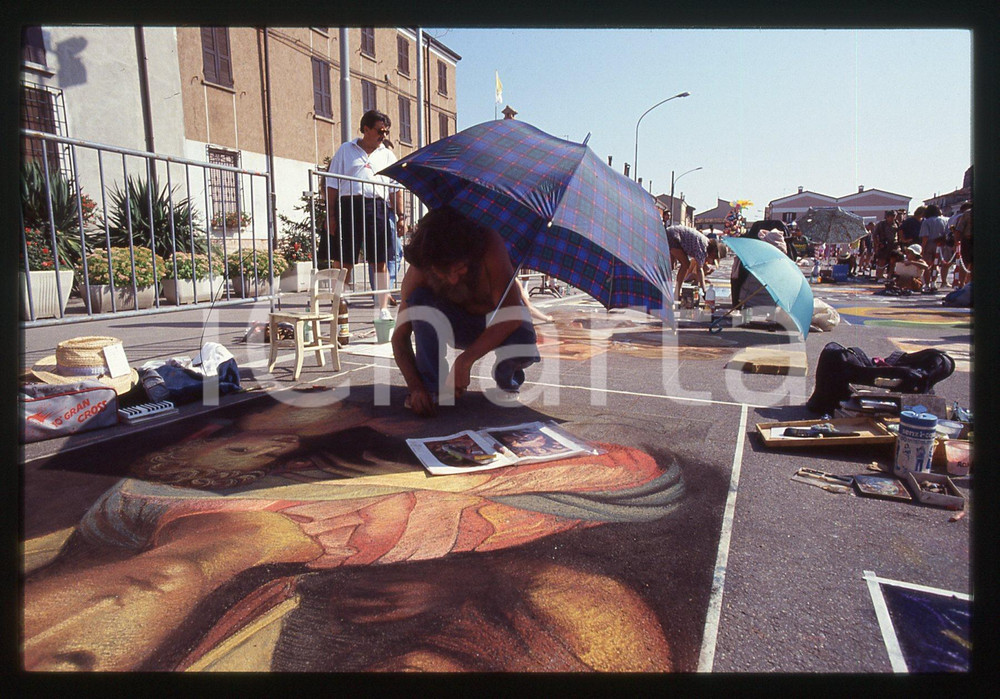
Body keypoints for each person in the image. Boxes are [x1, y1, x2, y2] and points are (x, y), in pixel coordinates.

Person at [391, 207, 541, 416]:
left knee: (524, 345)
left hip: (499, 324)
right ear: (430, 265)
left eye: (461, 269)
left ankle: (506, 376)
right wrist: (415, 386)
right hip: (458, 326)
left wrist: (464, 361)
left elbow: (511, 316)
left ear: (471, 254)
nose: (453, 280)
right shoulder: (419, 270)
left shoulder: (490, 244)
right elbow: (399, 338)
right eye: (444, 273)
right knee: (419, 301)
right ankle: (431, 386)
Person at [321, 109, 406, 320]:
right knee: (344, 260)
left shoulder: (387, 154)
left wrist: (401, 216)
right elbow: (332, 185)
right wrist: (330, 215)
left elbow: (395, 189)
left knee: (380, 260)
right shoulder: (345, 150)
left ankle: (383, 308)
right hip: (348, 207)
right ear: (366, 129)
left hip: (376, 208)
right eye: (380, 131)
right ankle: (340, 304)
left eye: (386, 132)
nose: (383, 136)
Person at [663, 223, 718, 304]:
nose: (711, 260)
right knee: (686, 264)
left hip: (672, 233)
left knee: (671, 266)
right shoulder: (703, 248)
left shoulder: (704, 243)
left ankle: (662, 288)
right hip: (674, 236)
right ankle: (676, 293)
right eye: (713, 257)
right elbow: (699, 270)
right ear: (712, 252)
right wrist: (704, 290)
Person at [918, 204, 948, 291]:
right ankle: (934, 282)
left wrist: (922, 248)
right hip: (942, 244)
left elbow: (925, 236)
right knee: (936, 264)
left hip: (930, 244)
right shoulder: (946, 220)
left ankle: (927, 284)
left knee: (927, 265)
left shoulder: (927, 221)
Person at [872, 210, 900, 281]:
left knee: (893, 261)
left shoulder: (896, 223)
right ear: (887, 217)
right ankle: (879, 276)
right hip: (883, 244)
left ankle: (890, 276)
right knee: (882, 261)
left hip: (893, 245)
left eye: (894, 216)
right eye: (892, 216)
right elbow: (875, 235)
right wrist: (877, 244)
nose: (893, 218)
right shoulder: (881, 224)